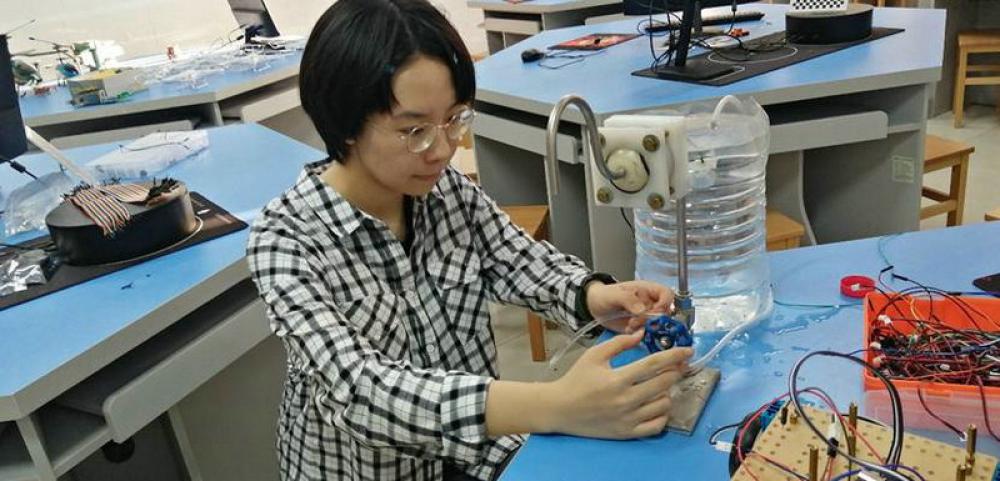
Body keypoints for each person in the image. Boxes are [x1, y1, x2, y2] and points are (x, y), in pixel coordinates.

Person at [246, 1, 692, 480]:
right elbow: (360, 390)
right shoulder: (286, 238)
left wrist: (593, 296)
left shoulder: (445, 191)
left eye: (455, 118)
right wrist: (557, 404)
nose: (443, 150)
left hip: (471, 452)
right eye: (414, 130)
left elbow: (517, 261)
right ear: (345, 122)